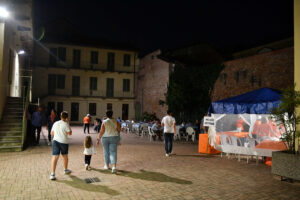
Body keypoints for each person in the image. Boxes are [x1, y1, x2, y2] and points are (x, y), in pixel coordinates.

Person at [50, 111, 72, 180]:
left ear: (60, 116)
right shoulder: (66, 124)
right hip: (63, 142)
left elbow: (52, 133)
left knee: (55, 157)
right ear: (67, 117)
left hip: (55, 141)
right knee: (64, 156)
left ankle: (52, 174)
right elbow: (69, 133)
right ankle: (65, 170)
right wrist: (68, 124)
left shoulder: (55, 123)